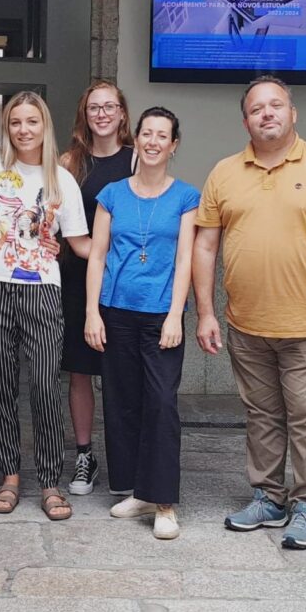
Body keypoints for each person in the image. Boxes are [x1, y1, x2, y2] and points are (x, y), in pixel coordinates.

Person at [193, 76, 306, 550]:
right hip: (246, 325)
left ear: (294, 113)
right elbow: (206, 245)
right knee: (262, 416)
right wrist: (205, 312)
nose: (267, 113)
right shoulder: (224, 173)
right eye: (256, 108)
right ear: (245, 119)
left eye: (276, 105)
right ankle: (269, 498)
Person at [84, 107, 199, 540]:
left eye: (161, 135)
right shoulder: (112, 194)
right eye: (146, 133)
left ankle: (164, 501)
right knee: (123, 403)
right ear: (137, 139)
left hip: (160, 316)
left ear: (173, 145)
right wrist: (92, 313)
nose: (152, 141)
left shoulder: (186, 196)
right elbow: (97, 255)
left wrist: (175, 315)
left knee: (162, 405)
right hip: (116, 312)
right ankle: (138, 491)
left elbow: (186, 258)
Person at [0, 91, 91, 521]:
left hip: (42, 289)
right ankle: (8, 475)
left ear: (45, 125)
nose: (24, 130)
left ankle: (49, 480)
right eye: (16, 123)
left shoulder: (63, 180)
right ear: (6, 127)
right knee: (1, 384)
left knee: (44, 386)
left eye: (32, 122)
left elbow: (80, 243)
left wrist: (137, 248)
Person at [59, 80, 136, 496]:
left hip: (126, 283)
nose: (102, 114)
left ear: (123, 113)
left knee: (124, 374)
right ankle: (85, 455)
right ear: (84, 115)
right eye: (94, 108)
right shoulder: (70, 162)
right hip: (77, 277)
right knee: (80, 372)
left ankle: (127, 456)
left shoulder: (139, 159)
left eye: (110, 107)